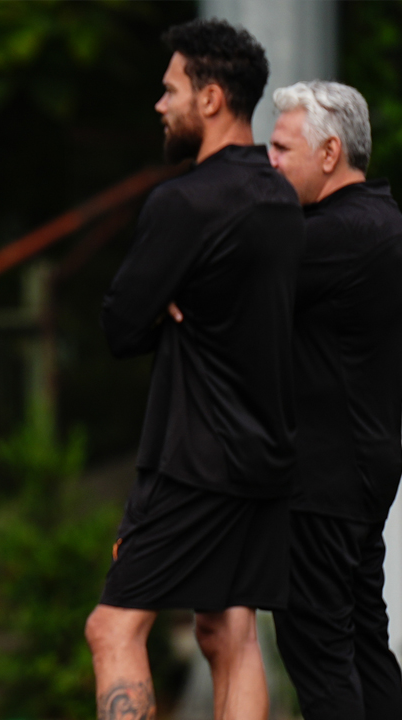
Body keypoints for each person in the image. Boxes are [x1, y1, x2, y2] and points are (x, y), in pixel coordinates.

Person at [84, 20, 305, 720]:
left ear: (211, 99)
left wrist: (162, 306)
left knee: (113, 627)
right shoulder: (280, 199)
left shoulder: (183, 203)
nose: (160, 104)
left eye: (171, 89)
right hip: (266, 453)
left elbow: (120, 326)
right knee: (229, 632)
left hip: (192, 459)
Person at [266, 80, 402, 720]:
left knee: (321, 659)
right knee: (364, 644)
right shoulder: (383, 222)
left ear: (329, 152)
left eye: (281, 148)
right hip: (361, 467)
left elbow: (223, 289)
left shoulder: (334, 232)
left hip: (323, 476)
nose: (270, 163)